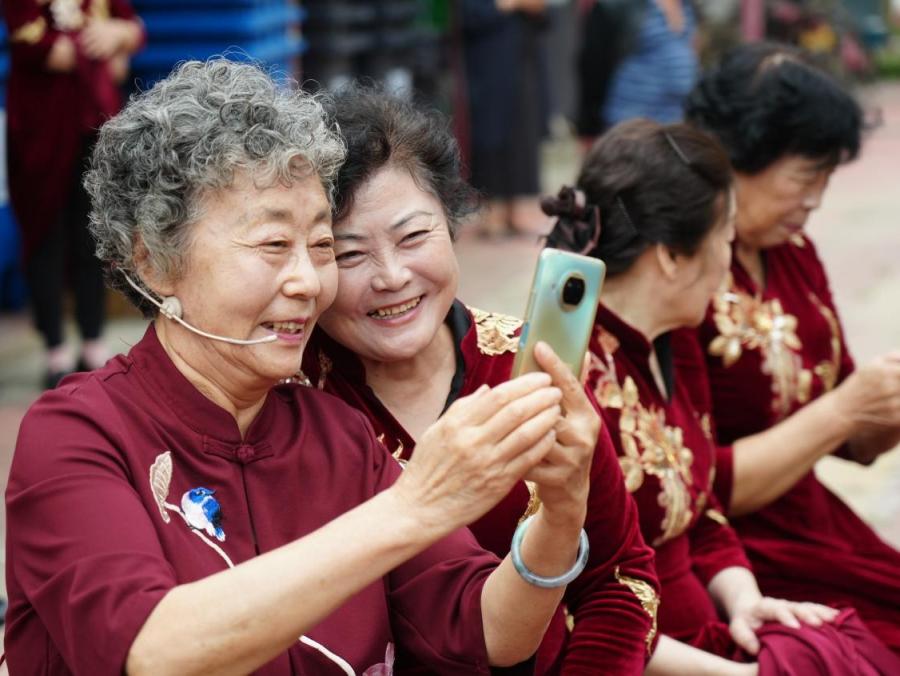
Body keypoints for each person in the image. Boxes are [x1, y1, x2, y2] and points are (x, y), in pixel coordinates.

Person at [5, 59, 595, 675]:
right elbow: (150, 652)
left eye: (321, 246)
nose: (308, 282)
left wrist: (560, 511)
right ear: (154, 261)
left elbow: (489, 631)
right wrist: (414, 506)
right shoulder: (78, 435)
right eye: (273, 246)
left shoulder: (336, 436)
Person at [300, 86, 660, 674]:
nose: (392, 277)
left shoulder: (531, 367)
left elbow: (622, 579)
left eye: (413, 237)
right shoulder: (291, 401)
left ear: (453, 225)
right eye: (349, 254)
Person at [543, 118, 900, 674]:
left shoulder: (670, 344)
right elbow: (570, 608)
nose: (729, 265)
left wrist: (746, 602)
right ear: (670, 256)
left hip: (712, 628)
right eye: (726, 239)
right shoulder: (569, 385)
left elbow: (701, 509)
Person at [678, 41, 900, 654]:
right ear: (734, 160)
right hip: (730, 555)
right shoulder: (680, 274)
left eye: (825, 180)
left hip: (812, 523)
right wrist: (846, 410)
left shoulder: (792, 254)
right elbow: (691, 485)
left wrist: (883, 406)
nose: (815, 201)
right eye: (805, 178)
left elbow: (855, 442)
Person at [3, 0, 145, 388]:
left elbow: (132, 28)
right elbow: (44, 50)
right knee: (44, 235)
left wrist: (118, 35)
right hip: (40, 132)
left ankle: (93, 340)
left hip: (94, 126)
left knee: (94, 237)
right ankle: (55, 349)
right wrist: (105, 50)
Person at [458, 0, 549, 237]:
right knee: (491, 135)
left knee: (521, 136)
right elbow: (466, 18)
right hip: (489, 64)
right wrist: (508, 4)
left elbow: (547, 19)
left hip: (523, 62)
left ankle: (515, 210)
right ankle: (493, 212)